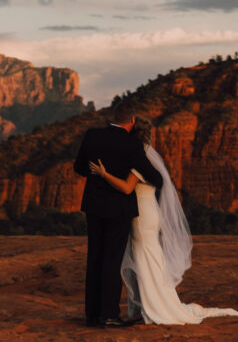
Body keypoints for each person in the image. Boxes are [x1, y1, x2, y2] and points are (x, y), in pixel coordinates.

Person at [89, 117, 238, 325]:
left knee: (146, 257)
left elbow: (127, 188)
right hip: (145, 213)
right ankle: (145, 306)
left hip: (142, 216)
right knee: (145, 256)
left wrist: (104, 174)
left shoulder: (139, 158)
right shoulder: (142, 155)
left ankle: (156, 306)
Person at [73, 102, 164, 327]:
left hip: (94, 206)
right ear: (131, 121)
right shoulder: (132, 145)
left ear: (113, 118)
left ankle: (92, 315)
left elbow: (79, 167)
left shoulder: (92, 135)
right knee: (112, 259)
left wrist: (98, 176)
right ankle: (109, 314)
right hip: (118, 209)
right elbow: (155, 177)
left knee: (94, 257)